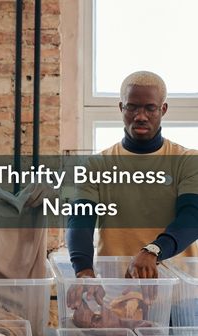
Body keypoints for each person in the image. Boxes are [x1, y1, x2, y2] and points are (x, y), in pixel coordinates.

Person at [66, 70, 198, 307]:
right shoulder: (96, 165)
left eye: (150, 108)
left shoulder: (187, 160)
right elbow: (79, 221)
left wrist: (153, 250)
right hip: (117, 294)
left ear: (163, 110)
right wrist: (83, 271)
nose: (141, 116)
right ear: (121, 108)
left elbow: (192, 217)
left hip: (181, 299)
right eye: (132, 107)